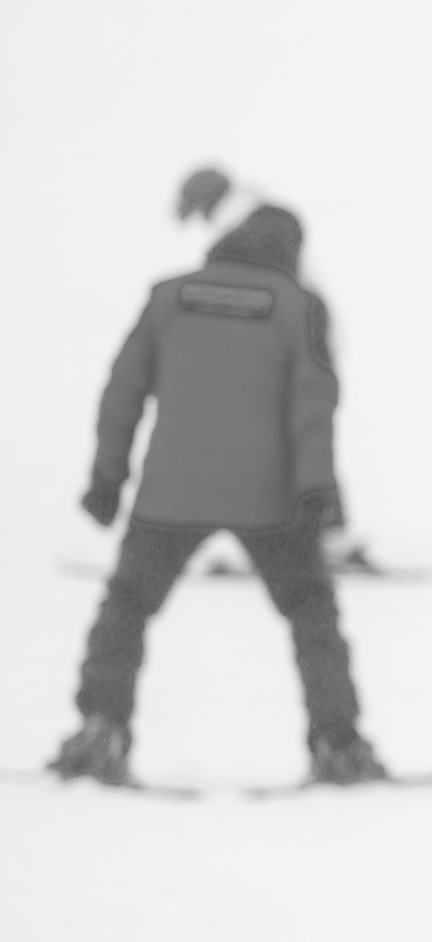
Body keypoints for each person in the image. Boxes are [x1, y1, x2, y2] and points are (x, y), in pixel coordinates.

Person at [49, 199, 389, 791]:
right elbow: (313, 406)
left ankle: (101, 730)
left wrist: (107, 478)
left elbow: (122, 389)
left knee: (127, 606)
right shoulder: (299, 307)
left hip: (170, 494)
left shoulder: (168, 296)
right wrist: (318, 491)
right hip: (268, 499)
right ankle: (338, 745)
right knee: (311, 612)